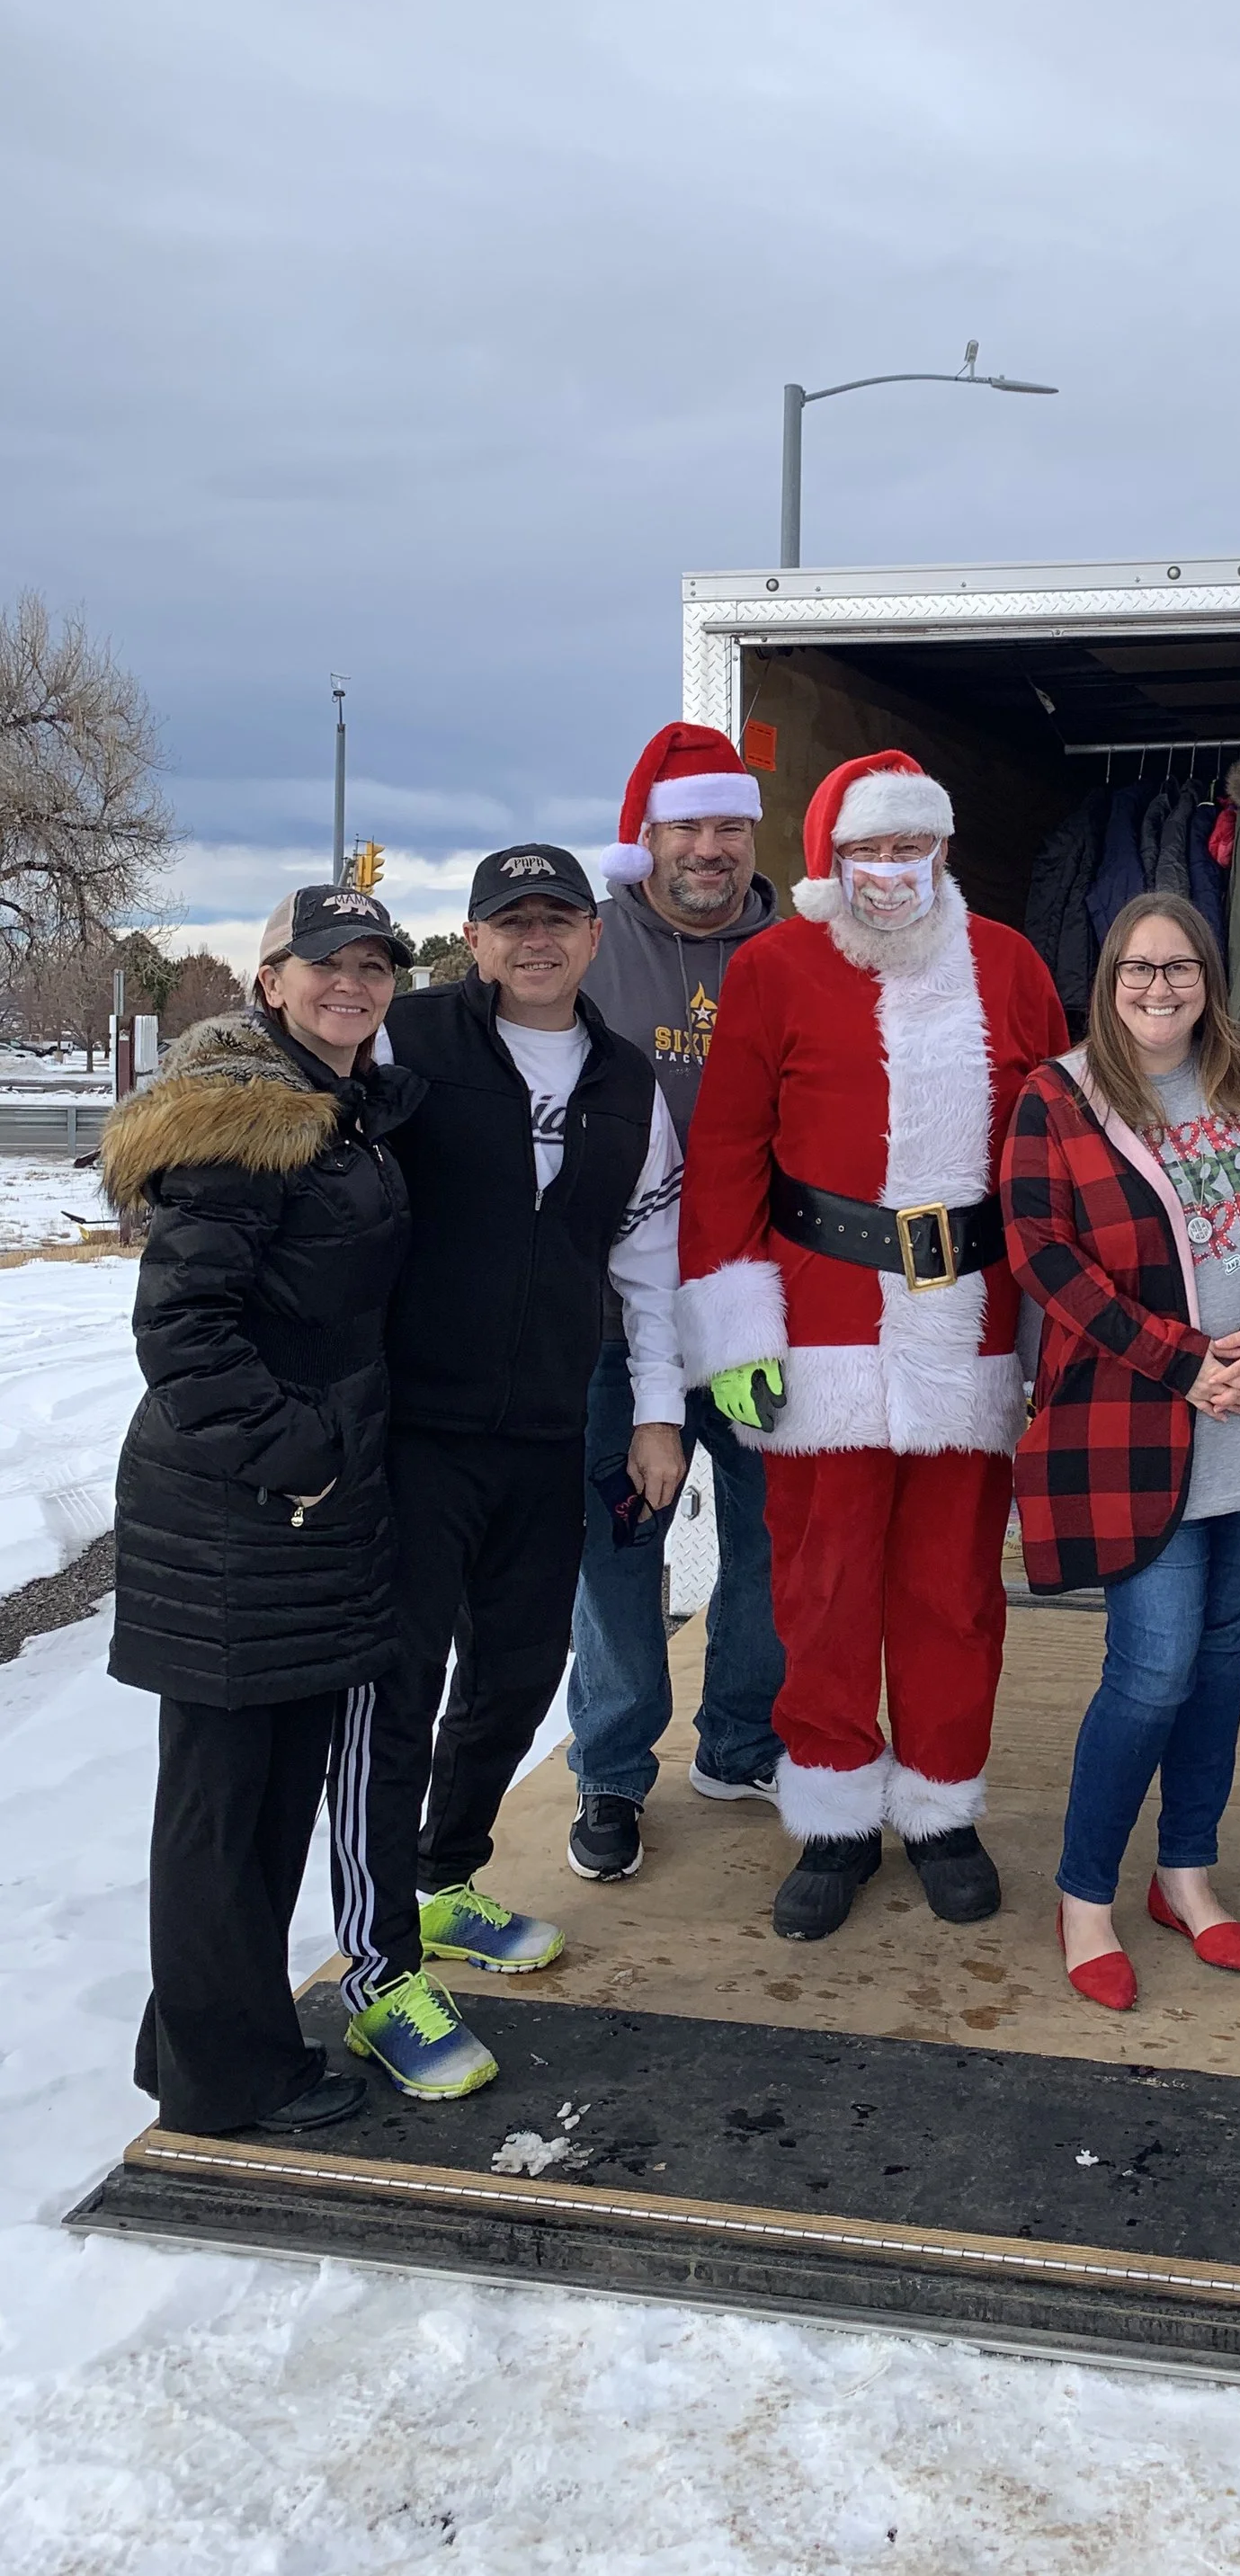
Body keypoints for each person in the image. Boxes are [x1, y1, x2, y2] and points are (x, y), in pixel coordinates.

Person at [677, 753, 1067, 1941]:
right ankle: (836, 1816)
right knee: (822, 1582)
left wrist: (1057, 1320)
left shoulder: (1011, 963)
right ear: (829, 861)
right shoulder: (773, 967)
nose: (889, 873)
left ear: (941, 851)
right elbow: (731, 1145)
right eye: (867, 853)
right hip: (819, 1327)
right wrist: (734, 1313)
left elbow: (1058, 1145)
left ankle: (942, 1807)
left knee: (952, 1590)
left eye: (911, 849)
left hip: (972, 1326)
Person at [335, 845, 687, 2099]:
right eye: (509, 923)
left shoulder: (624, 1080)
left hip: (549, 1424)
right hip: (413, 1430)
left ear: (595, 936)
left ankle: (439, 1883)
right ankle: (377, 1971)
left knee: (522, 1670)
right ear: (473, 941)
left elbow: (648, 1266)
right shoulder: (410, 1041)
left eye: (557, 920)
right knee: (392, 1689)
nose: (534, 941)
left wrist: (658, 1419)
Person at [104, 885, 421, 2136]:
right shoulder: (252, 1121)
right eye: (325, 963)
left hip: (300, 1510)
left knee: (265, 1794)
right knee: (225, 1808)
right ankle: (229, 2081)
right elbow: (181, 1330)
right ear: (271, 978)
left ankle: (185, 2036)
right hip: (243, 1514)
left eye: (376, 964)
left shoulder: (340, 1112)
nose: (353, 982)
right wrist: (300, 1458)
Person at [1004, 892, 1240, 2010]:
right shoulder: (1059, 1096)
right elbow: (1043, 1256)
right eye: (1138, 970)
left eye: (1180, 968)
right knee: (1150, 1670)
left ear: (1209, 976)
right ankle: (1086, 1893)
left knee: (1225, 1657)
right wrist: (1183, 1359)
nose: (1159, 989)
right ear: (1108, 981)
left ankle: (1186, 1874)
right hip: (1135, 1429)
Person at [564, 721, 788, 1881]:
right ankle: (609, 1772)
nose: (711, 847)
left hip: (759, 1312)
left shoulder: (802, 946)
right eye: (688, 825)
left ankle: (742, 1741)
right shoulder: (590, 950)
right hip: (611, 1326)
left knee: (772, 1542)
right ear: (643, 839)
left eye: (730, 824)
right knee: (617, 1549)